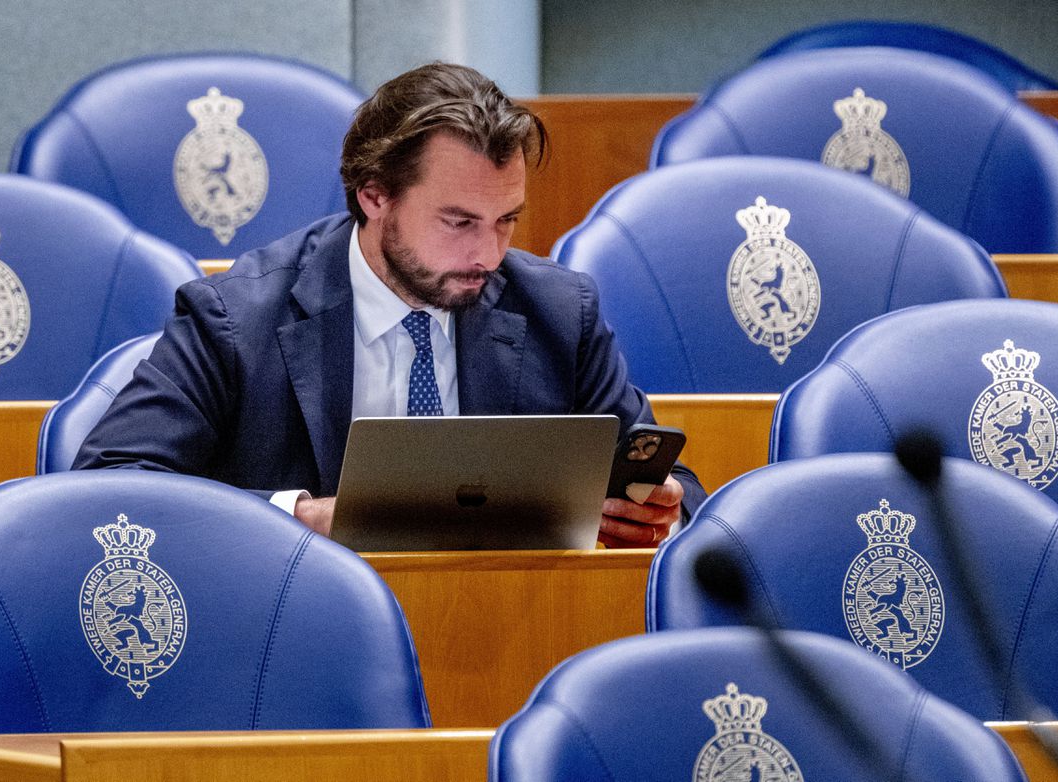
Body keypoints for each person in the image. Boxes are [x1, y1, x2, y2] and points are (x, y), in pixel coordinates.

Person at [74, 62, 706, 547]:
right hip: (296, 631)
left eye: (507, 220)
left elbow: (679, 492)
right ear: (374, 195)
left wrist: (656, 510)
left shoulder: (559, 311)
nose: (489, 253)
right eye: (458, 222)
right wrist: (301, 517)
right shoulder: (237, 317)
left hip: (508, 625)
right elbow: (110, 487)